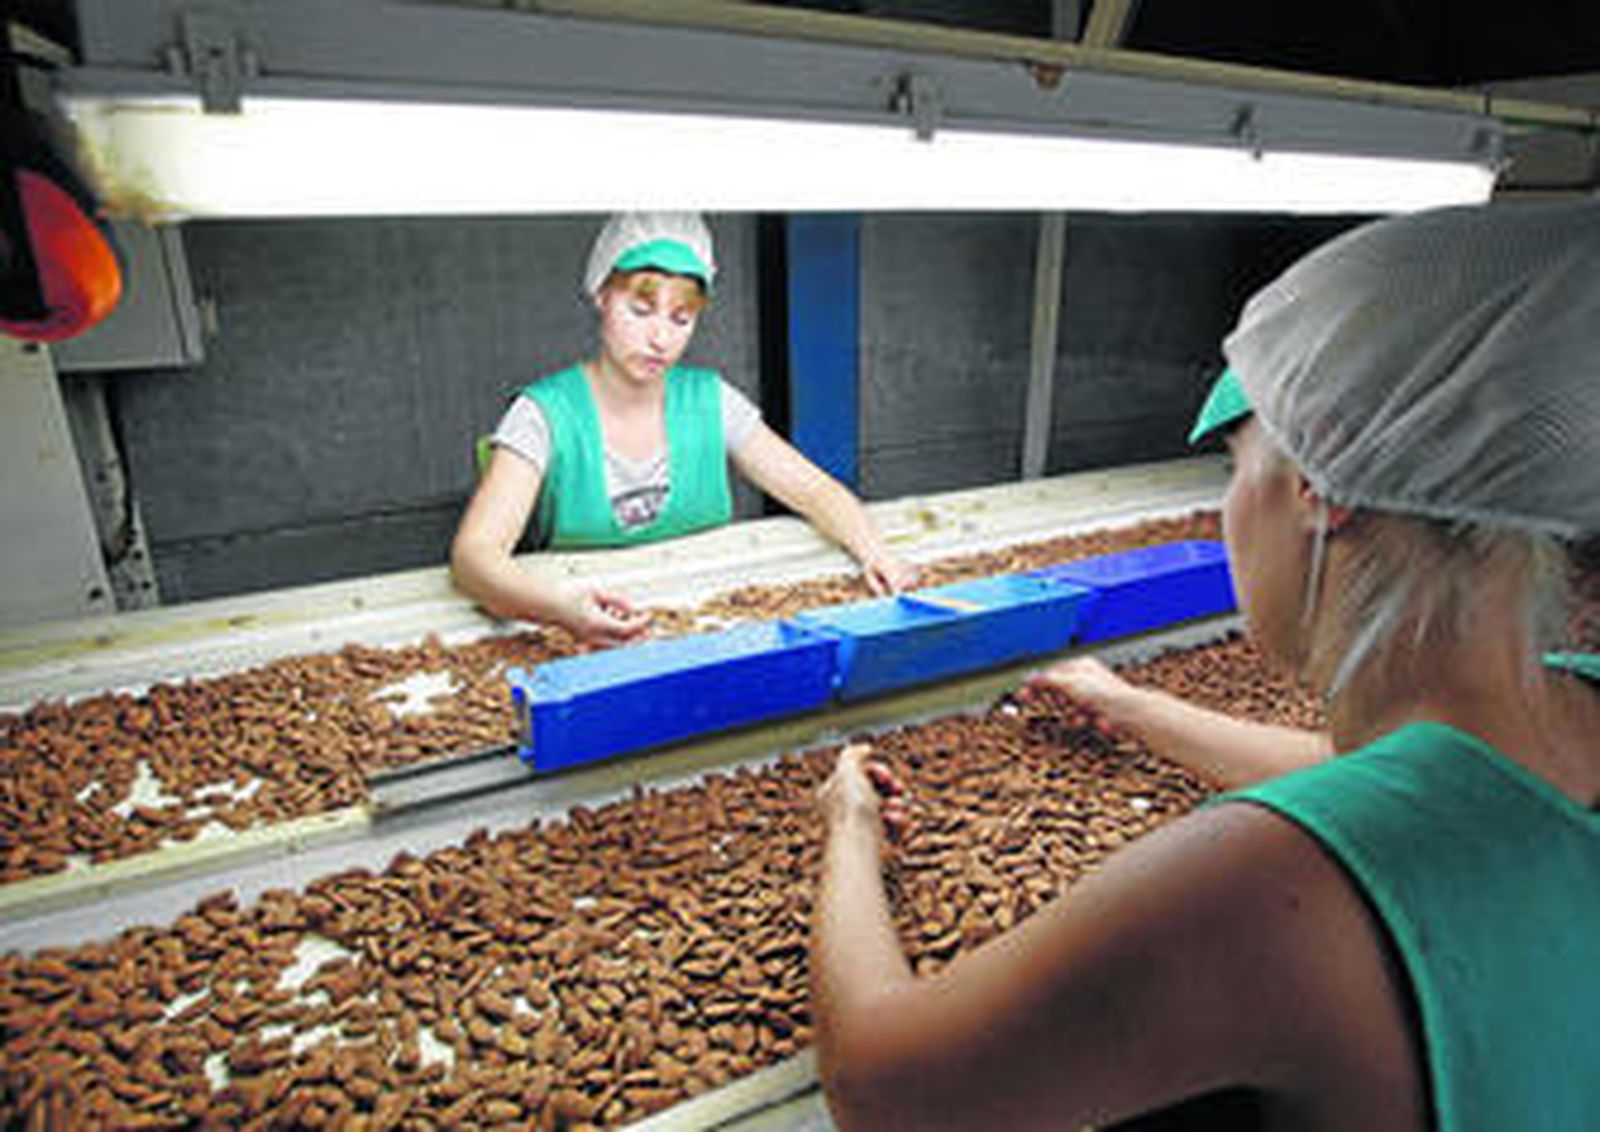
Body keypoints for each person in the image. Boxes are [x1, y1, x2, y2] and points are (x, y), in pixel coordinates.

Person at [812, 202, 1600, 1130]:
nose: (1229, 508)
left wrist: (849, 832)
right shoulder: (1570, 692)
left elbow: (889, 1089)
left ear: (1321, 486)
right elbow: (1426, 791)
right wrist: (1138, 711)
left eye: (1236, 467)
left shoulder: (1264, 882)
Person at [451, 212, 917, 645]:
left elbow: (815, 492)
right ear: (601, 295)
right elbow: (474, 559)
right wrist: (562, 609)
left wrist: (876, 552)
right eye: (640, 309)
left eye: (681, 318)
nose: (660, 338)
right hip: (576, 633)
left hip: (707, 628)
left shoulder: (711, 401)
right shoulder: (542, 415)